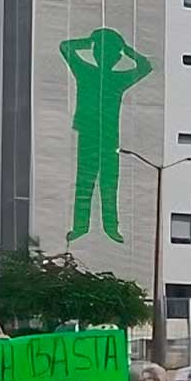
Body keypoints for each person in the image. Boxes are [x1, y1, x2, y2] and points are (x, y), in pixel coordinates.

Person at [60, 28, 152, 244]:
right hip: (89, 135)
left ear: (115, 57)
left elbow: (146, 67)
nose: (103, 56)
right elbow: (65, 47)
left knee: (109, 183)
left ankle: (111, 228)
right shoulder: (86, 72)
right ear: (95, 53)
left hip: (110, 138)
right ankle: (81, 227)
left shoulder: (116, 80)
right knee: (85, 182)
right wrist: (92, 41)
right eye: (100, 50)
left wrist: (123, 48)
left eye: (109, 52)